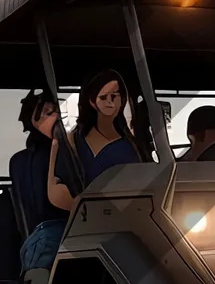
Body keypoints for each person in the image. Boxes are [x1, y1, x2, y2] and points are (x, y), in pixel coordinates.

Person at [47, 68, 144, 210]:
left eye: (114, 96)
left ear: (122, 100)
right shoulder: (71, 142)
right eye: (104, 97)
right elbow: (54, 186)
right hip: (80, 222)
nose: (110, 102)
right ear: (92, 102)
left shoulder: (132, 147)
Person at [10, 91, 69, 272]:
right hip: (58, 237)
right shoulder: (58, 153)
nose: (57, 116)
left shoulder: (17, 160)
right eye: (49, 112)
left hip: (33, 244)